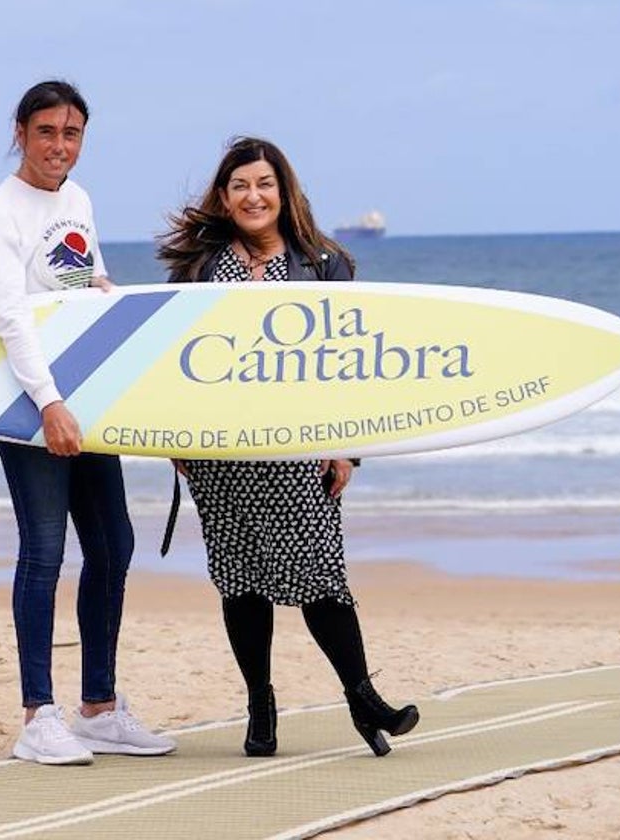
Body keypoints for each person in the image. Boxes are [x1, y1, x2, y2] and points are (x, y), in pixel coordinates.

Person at [156, 136, 419, 758]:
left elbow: (349, 366)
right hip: (220, 454)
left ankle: (363, 698)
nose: (254, 196)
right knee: (241, 579)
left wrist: (347, 449)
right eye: (241, 185)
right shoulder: (198, 269)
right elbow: (169, 362)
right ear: (224, 196)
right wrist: (168, 435)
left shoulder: (324, 262)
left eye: (265, 184)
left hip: (296, 450)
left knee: (321, 577)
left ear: (284, 192)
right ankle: (260, 708)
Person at [0, 80, 175, 765]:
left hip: (84, 394)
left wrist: (115, 301)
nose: (61, 146)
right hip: (29, 403)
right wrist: (48, 402)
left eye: (73, 133)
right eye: (48, 131)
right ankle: (38, 716)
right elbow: (9, 315)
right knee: (46, 552)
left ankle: (99, 709)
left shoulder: (78, 200)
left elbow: (84, 282)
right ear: (20, 132)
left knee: (113, 546)